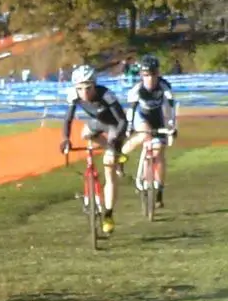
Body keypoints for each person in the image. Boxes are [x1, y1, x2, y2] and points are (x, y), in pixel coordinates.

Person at [61, 65, 129, 235]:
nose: (84, 92)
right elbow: (67, 120)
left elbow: (122, 121)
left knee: (109, 170)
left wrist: (114, 141)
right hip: (96, 123)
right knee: (85, 134)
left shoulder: (106, 95)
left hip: (114, 126)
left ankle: (108, 214)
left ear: (94, 85)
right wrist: (65, 139)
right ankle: (112, 152)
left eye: (88, 88)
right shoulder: (73, 96)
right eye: (80, 88)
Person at [121, 54, 176, 208]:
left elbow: (171, 109)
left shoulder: (165, 87)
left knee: (159, 153)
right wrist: (129, 126)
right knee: (145, 133)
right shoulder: (137, 89)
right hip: (141, 117)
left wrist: (172, 126)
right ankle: (121, 155)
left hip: (158, 117)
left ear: (158, 73)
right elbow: (131, 111)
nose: (150, 79)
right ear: (141, 76)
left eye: (153, 74)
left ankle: (159, 189)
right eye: (146, 75)